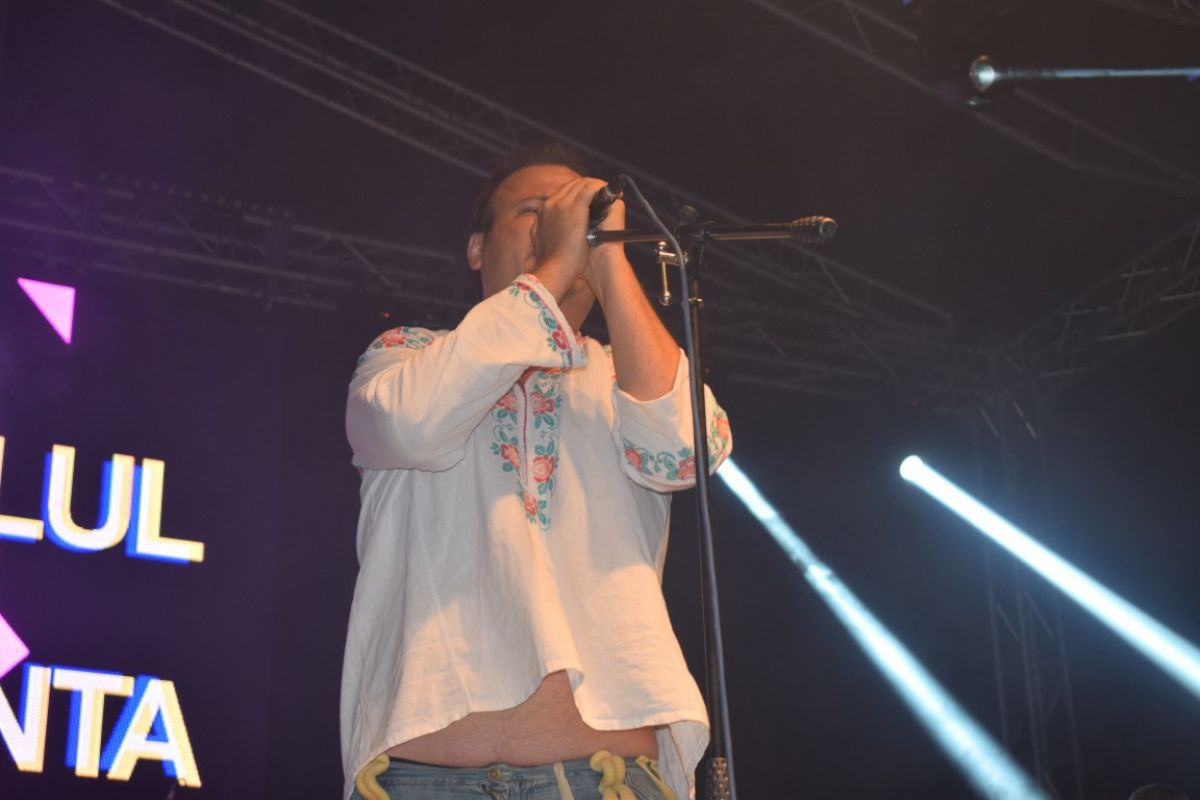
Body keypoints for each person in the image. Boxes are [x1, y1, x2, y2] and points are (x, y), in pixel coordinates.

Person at [342, 142, 732, 800]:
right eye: (535, 211)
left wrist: (607, 260)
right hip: (419, 779)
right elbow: (412, 426)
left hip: (606, 778)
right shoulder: (404, 356)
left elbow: (686, 451)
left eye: (580, 213)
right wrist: (555, 264)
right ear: (477, 248)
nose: (562, 224)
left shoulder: (620, 376)